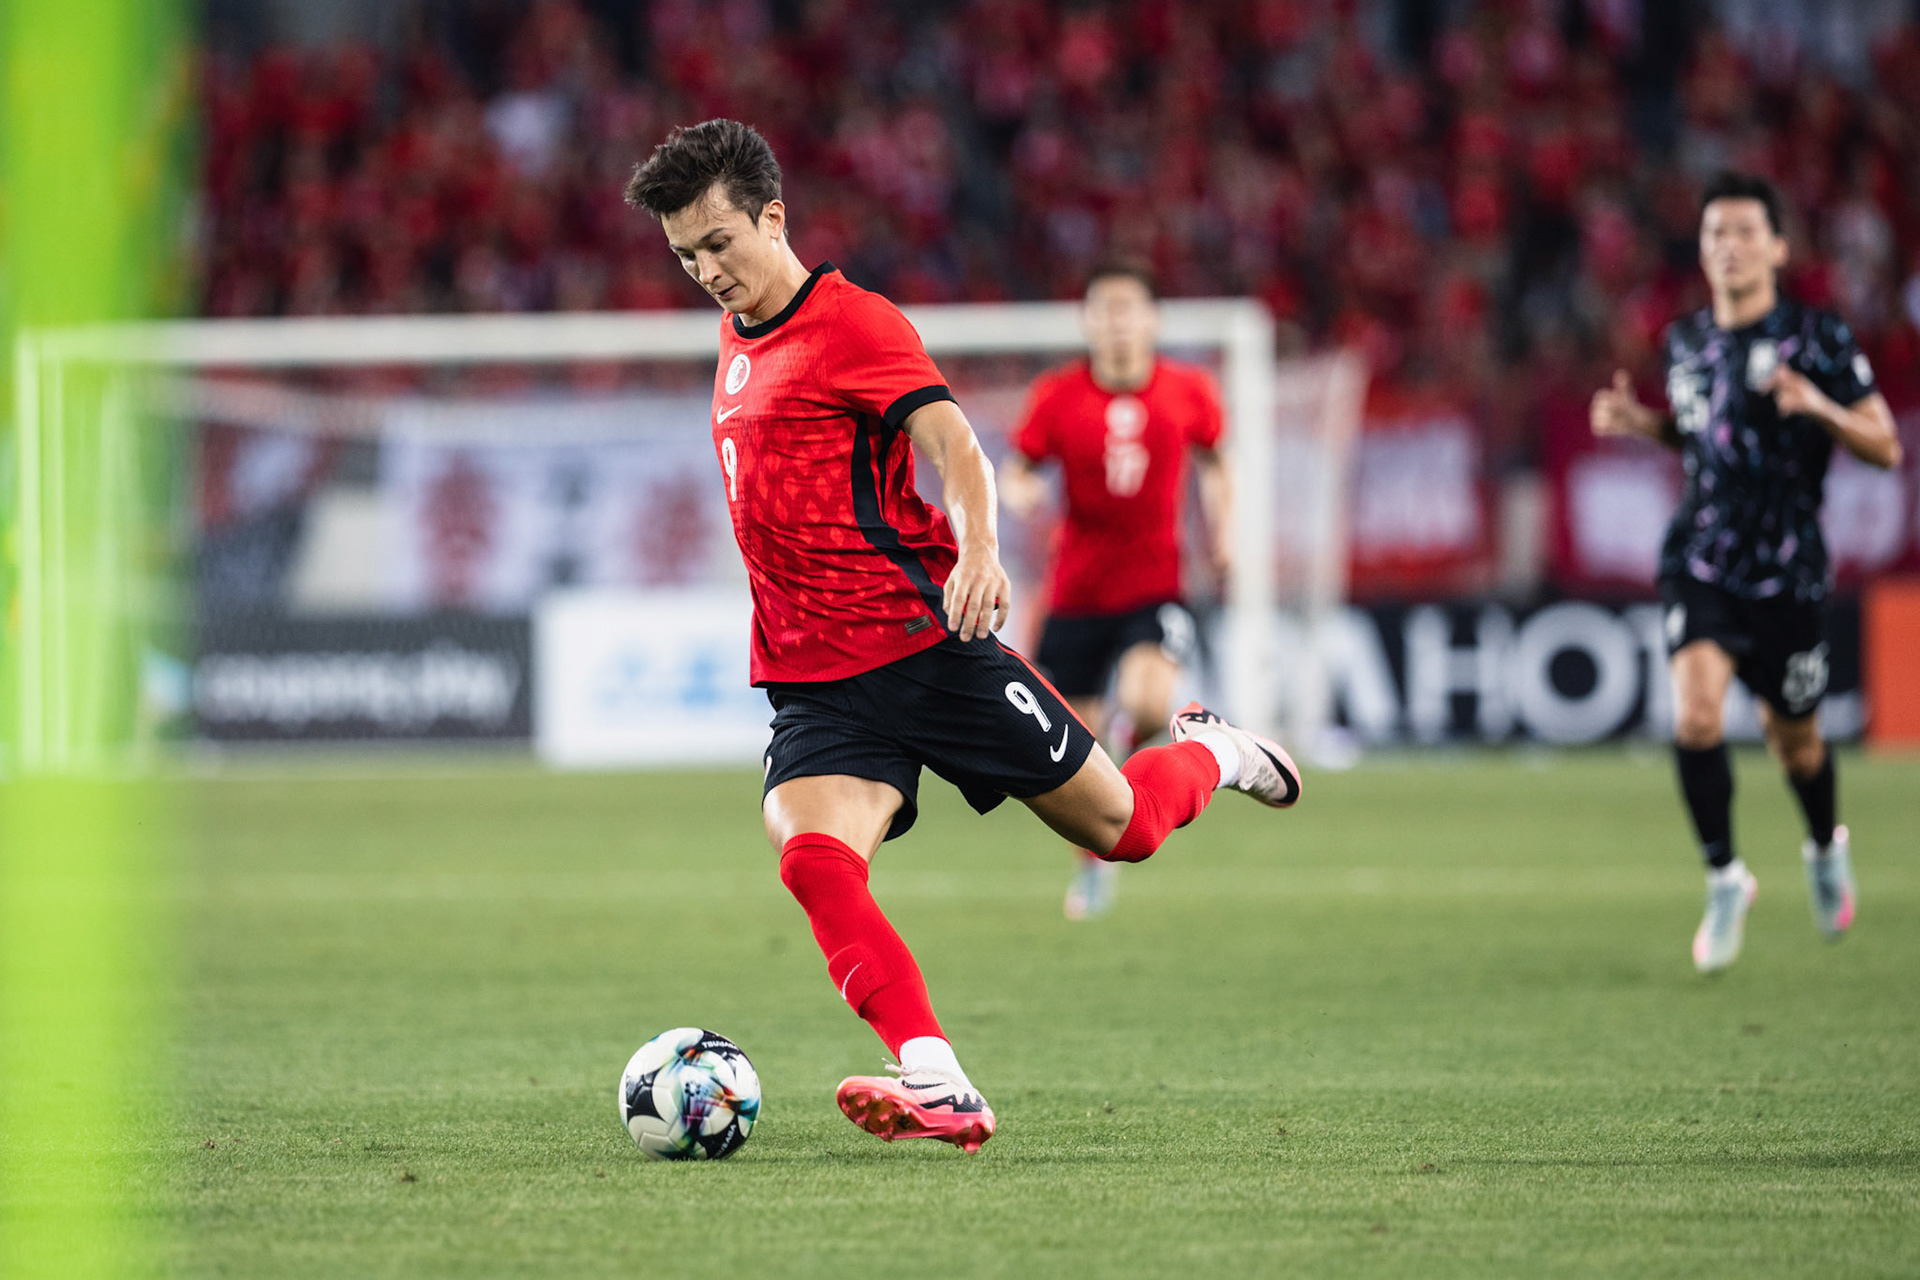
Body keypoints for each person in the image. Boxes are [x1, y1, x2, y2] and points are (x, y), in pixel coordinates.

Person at [623, 119, 1300, 1153]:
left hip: (923, 647)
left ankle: (1215, 751)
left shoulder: (853, 323)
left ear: (773, 217)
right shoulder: (738, 336)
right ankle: (937, 1077)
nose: (707, 271)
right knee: (813, 861)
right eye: (686, 256)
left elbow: (956, 444)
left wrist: (979, 548)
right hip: (816, 678)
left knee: (1121, 828)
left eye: (719, 243)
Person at [1589, 171, 1902, 973]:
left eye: (1743, 232)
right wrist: (1645, 425)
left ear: (1778, 248)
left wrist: (1819, 407)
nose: (1727, 246)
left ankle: (1824, 846)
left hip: (1787, 570)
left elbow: (1886, 446)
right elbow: (1706, 438)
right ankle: (1726, 877)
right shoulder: (1685, 342)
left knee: (1795, 742)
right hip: (1700, 558)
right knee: (1696, 718)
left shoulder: (1818, 339)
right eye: (1714, 234)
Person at [1001, 264, 1232, 920]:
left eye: (1129, 308)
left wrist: (1225, 533)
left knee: (1150, 699)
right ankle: (1093, 869)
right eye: (1105, 309)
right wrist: (1022, 492)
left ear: (1152, 319)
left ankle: (1135, 741)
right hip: (1076, 594)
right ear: (1088, 321)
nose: (1118, 322)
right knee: (1080, 759)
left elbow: (1217, 463)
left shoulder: (1190, 390)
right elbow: (1018, 469)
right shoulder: (1056, 395)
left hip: (1156, 585)